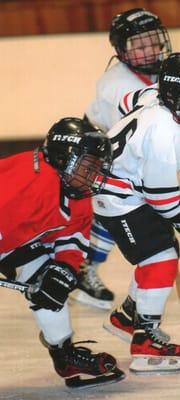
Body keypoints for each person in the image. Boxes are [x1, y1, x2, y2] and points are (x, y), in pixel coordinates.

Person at [92, 52, 180, 374]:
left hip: (124, 190)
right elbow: (161, 197)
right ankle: (145, 341)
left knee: (163, 250)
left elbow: (126, 101)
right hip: (119, 198)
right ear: (176, 94)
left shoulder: (155, 96)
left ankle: (127, 318)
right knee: (160, 258)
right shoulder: (167, 132)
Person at [0, 117, 125, 388]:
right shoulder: (28, 186)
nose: (92, 175)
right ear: (63, 156)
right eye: (87, 166)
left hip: (15, 242)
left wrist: (65, 268)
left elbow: (73, 237)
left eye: (96, 167)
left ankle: (64, 355)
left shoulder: (74, 190)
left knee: (51, 281)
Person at [70, 7, 172, 311]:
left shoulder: (158, 69)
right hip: (96, 152)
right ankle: (80, 269)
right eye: (139, 45)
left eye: (153, 41)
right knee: (114, 210)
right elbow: (139, 118)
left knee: (119, 210)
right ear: (122, 50)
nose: (150, 49)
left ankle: (82, 267)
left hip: (118, 150)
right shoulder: (116, 82)